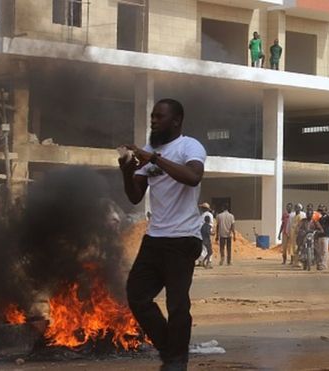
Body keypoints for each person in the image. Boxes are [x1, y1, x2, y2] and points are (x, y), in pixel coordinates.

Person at [120, 98, 206, 371]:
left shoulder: (189, 146)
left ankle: (176, 361)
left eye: (159, 117)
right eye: (152, 116)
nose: (153, 121)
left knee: (177, 303)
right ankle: (171, 352)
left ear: (176, 120)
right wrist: (126, 172)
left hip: (183, 238)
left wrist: (154, 159)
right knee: (137, 296)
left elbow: (193, 177)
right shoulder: (148, 151)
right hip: (155, 237)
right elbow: (135, 196)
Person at [316, 205, 329, 270]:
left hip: (326, 235)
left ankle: (324, 264)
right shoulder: (319, 217)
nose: (321, 211)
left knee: (324, 250)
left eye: (322, 210)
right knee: (319, 251)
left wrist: (326, 213)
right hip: (319, 235)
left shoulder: (327, 217)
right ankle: (320, 264)